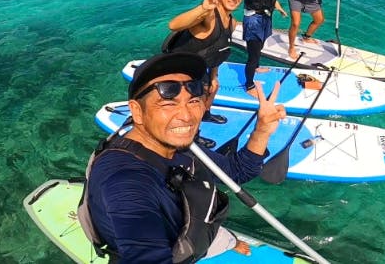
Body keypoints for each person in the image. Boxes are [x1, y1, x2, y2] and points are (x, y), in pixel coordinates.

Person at [83, 52, 286, 263]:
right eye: (168, 104)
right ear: (137, 111)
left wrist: (262, 131)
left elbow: (237, 171)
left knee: (222, 238)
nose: (187, 116)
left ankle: (229, 242)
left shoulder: (178, 146)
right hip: (174, 250)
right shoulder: (124, 177)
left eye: (194, 101)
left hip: (195, 228)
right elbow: (142, 242)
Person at [162, 0, 247, 148]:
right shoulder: (208, 17)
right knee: (194, 103)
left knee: (213, 87)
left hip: (200, 67)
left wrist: (214, 76)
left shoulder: (232, 22)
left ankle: (206, 114)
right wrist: (203, 7)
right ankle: (193, 136)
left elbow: (218, 49)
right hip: (179, 71)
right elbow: (174, 25)